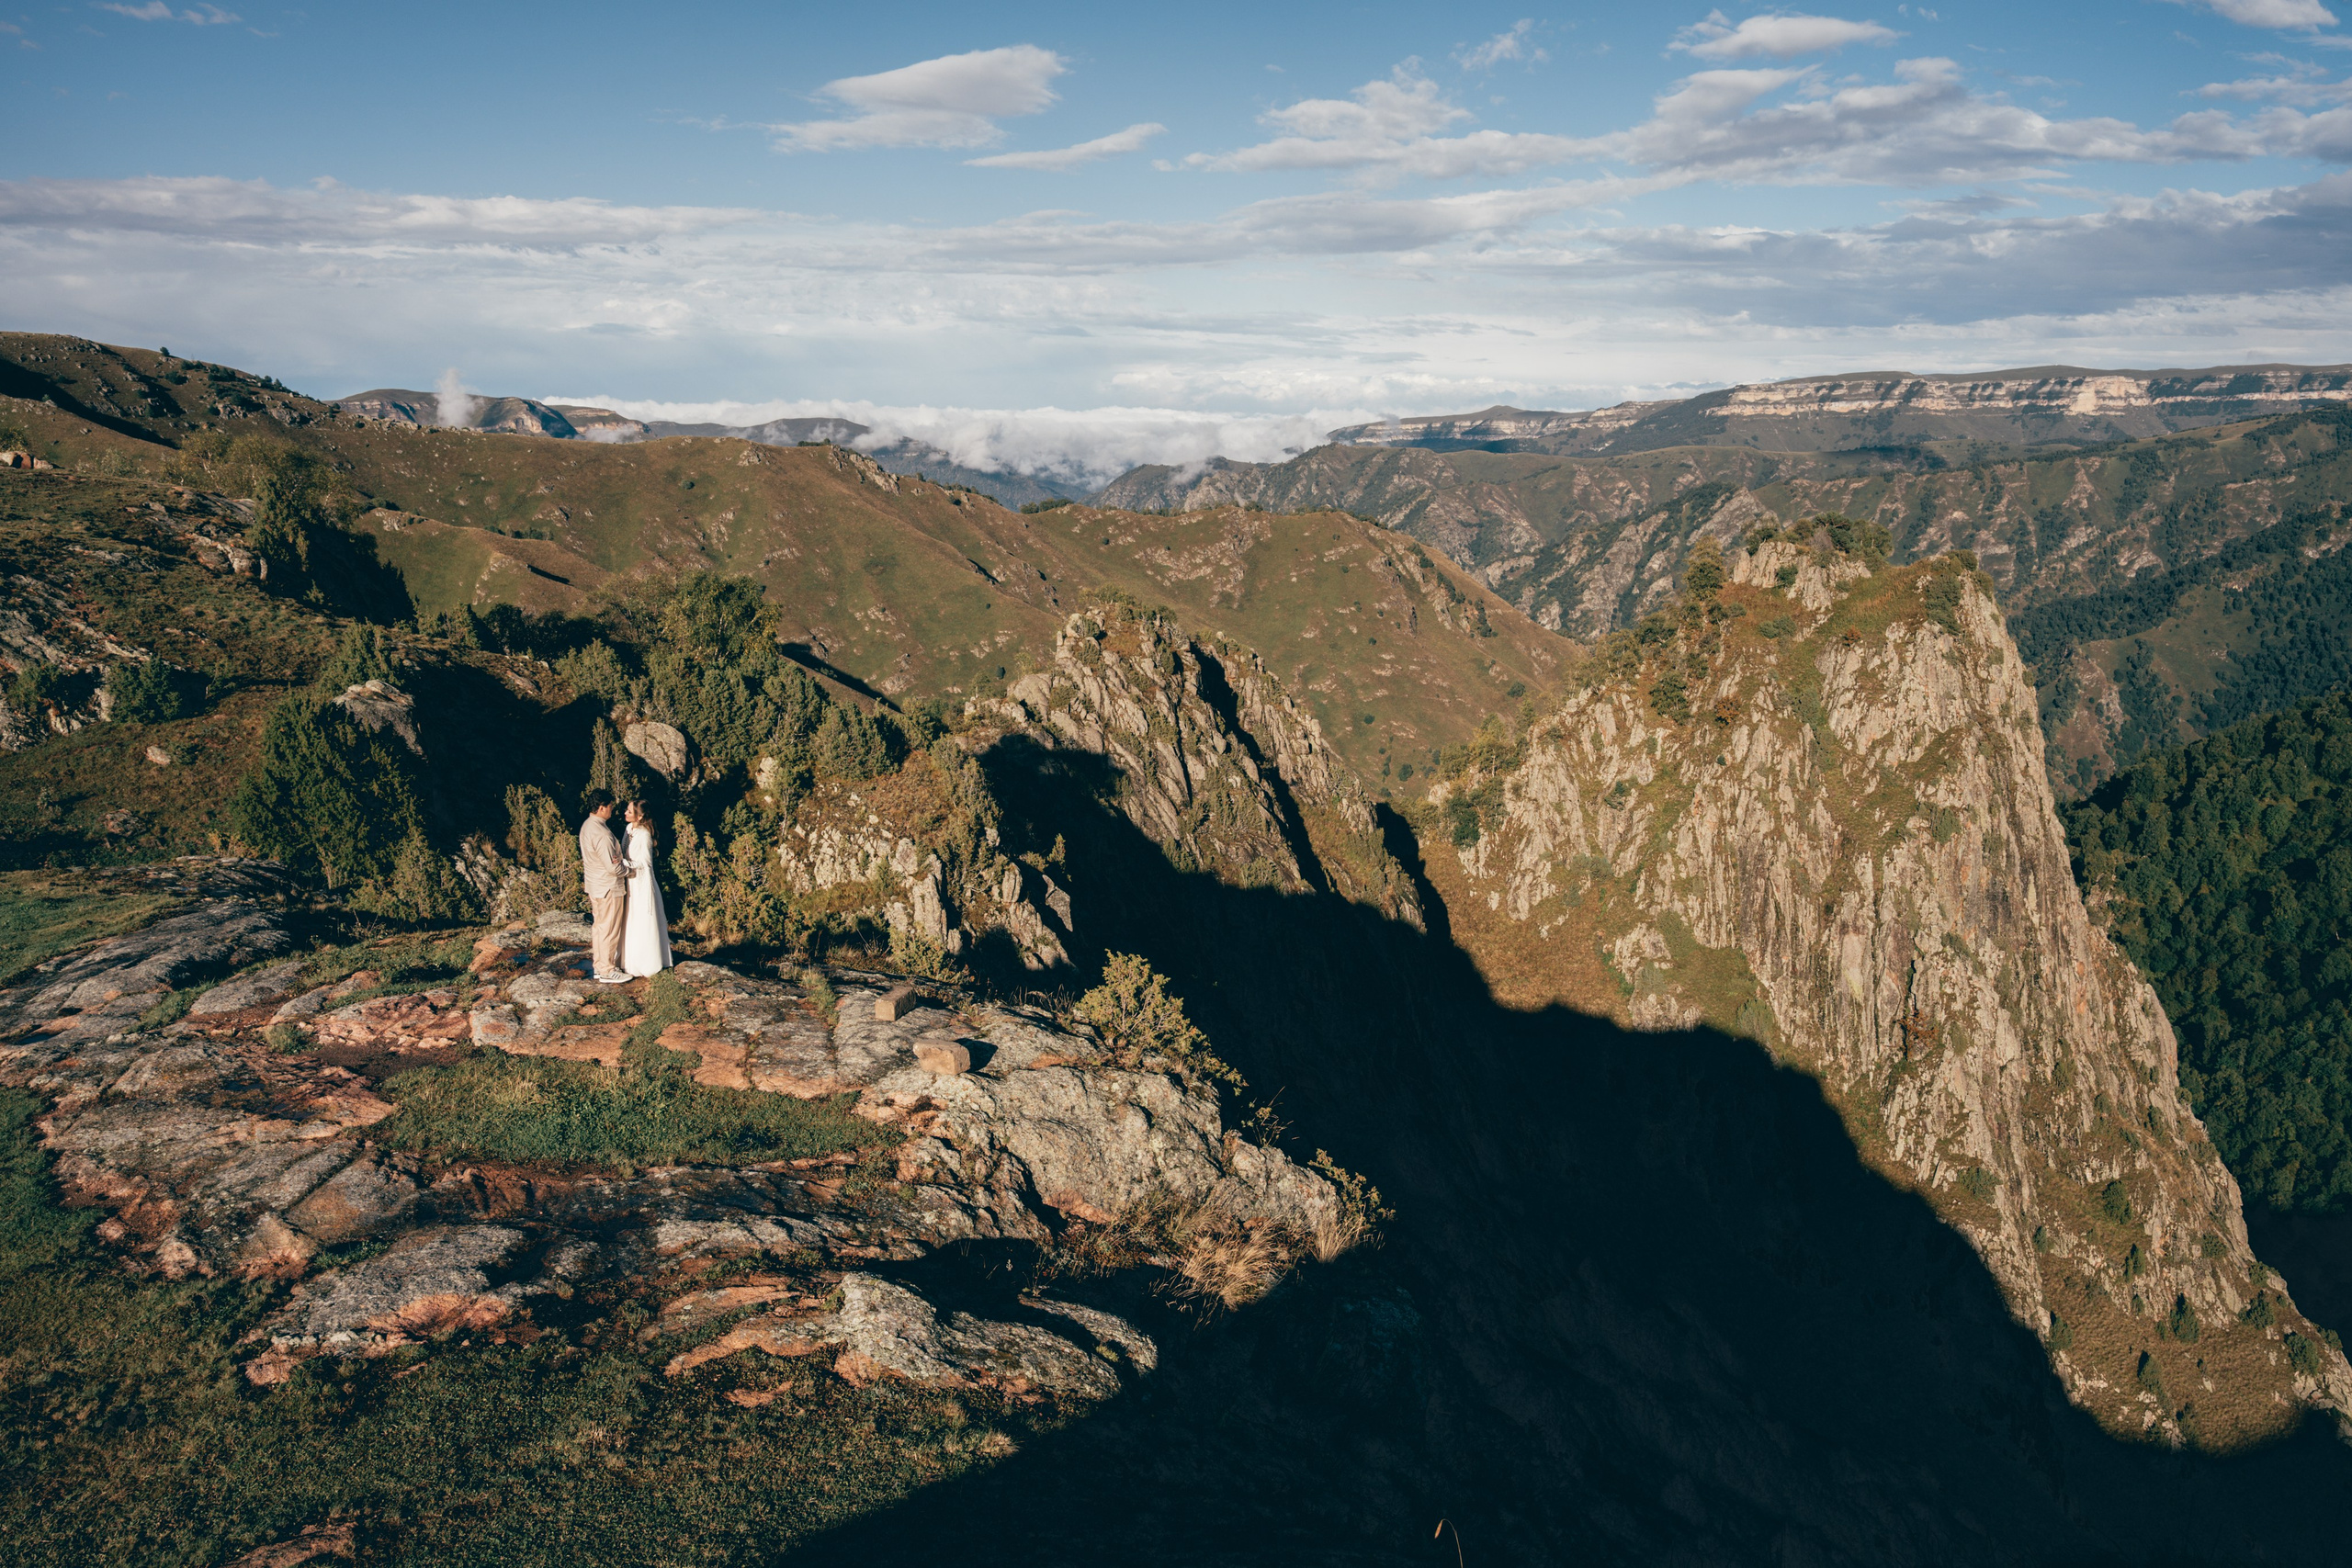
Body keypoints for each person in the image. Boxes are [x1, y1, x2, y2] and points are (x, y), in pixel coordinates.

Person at [578, 793, 630, 984]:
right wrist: (628, 870)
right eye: (610, 806)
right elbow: (613, 867)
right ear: (601, 807)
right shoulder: (602, 834)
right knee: (609, 929)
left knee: (600, 928)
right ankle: (608, 970)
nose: (612, 809)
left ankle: (600, 966)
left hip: (595, 885)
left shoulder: (587, 826)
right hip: (608, 887)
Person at [620, 799, 673, 978]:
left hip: (641, 883)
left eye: (629, 811)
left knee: (642, 921)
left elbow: (645, 864)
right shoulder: (629, 830)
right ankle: (630, 961)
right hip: (629, 881)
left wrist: (623, 863)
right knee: (630, 920)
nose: (625, 813)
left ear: (640, 816)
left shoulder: (644, 835)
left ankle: (647, 962)